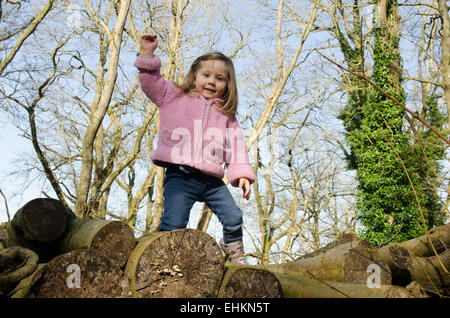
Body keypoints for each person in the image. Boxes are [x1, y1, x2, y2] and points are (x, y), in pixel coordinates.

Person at [134, 35, 255, 263]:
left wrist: (242, 176)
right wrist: (148, 54)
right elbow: (150, 83)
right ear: (195, 75)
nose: (211, 82)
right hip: (180, 176)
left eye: (219, 78)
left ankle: (233, 250)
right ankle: (162, 257)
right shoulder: (174, 96)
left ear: (228, 85)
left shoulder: (227, 116)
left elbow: (237, 148)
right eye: (206, 75)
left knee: (233, 216)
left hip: (211, 180)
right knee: (174, 222)